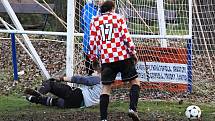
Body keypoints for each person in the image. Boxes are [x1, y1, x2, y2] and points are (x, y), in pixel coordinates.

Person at [88, 1, 140, 121]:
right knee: (135, 82)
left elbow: (92, 42)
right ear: (112, 8)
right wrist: (133, 53)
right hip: (122, 57)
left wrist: (94, 58)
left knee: (106, 88)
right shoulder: (119, 18)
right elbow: (126, 38)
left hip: (107, 59)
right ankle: (132, 109)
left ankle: (104, 119)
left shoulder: (95, 21)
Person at [24, 62, 102, 108]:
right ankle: (33, 99)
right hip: (78, 104)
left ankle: (39, 93)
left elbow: (82, 80)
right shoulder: (105, 88)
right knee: (55, 102)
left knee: (50, 84)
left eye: (95, 71)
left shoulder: (98, 79)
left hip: (78, 96)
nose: (94, 72)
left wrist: (62, 78)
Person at [81, 0, 103, 75]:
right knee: (90, 72)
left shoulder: (107, 10)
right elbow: (83, 25)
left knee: (104, 74)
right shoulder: (86, 8)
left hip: (103, 47)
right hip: (88, 44)